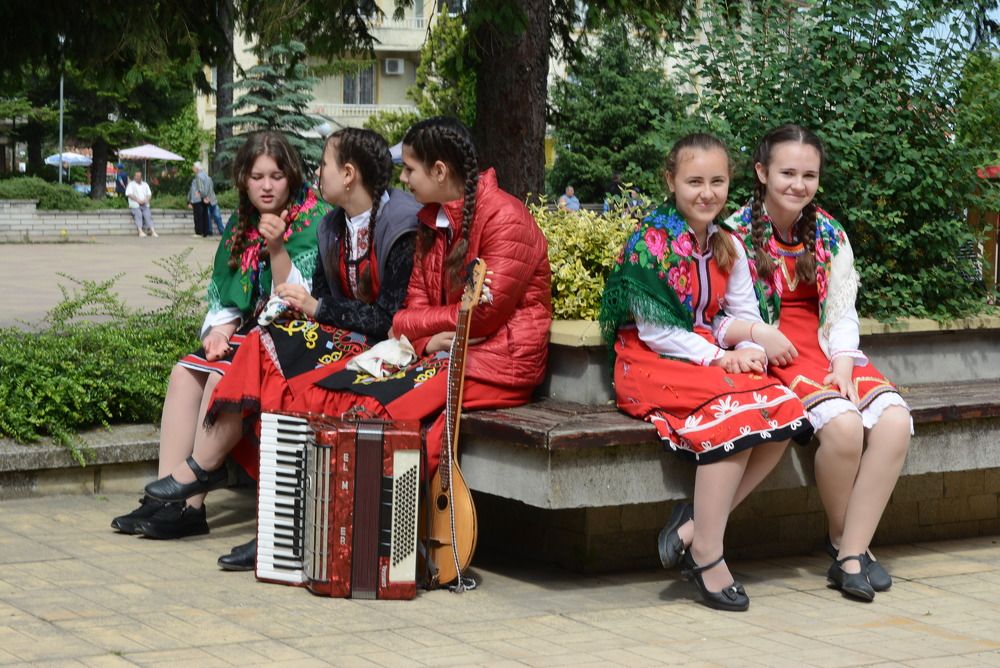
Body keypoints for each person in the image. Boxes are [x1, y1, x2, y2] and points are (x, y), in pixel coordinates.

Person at [143, 116, 552, 557]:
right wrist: (428, 332)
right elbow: (409, 313)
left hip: (496, 361)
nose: (404, 178)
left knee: (363, 403)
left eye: (411, 169)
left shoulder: (500, 218)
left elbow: (478, 317)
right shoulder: (422, 220)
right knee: (278, 357)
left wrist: (420, 329)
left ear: (438, 170)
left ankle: (314, 528)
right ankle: (263, 511)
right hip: (435, 351)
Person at [170, 127, 421, 570]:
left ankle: (224, 496)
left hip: (387, 350)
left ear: (347, 174)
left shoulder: (397, 223)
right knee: (259, 356)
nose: (314, 172)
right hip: (344, 340)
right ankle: (205, 498)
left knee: (277, 373)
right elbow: (317, 300)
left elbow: (385, 315)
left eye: (320, 164)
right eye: (256, 176)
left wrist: (310, 297)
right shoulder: (333, 224)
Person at [599, 133, 811, 611]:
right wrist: (721, 357)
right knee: (735, 413)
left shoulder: (726, 244)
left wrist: (752, 342)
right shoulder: (650, 241)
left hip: (704, 358)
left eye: (717, 181)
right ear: (671, 181)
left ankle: (695, 526)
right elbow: (658, 332)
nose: (707, 192)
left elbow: (734, 314)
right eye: (694, 181)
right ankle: (708, 553)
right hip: (649, 361)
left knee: (783, 411)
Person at [723, 124, 911, 602]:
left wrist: (845, 363)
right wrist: (760, 344)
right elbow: (737, 313)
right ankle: (846, 548)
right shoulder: (736, 232)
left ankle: (850, 548)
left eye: (809, 174)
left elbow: (843, 310)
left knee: (894, 421)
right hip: (777, 350)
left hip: (828, 345)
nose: (797, 184)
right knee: (844, 427)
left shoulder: (829, 232)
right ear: (762, 172)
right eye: (786, 172)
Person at [110, 131, 329, 539]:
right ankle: (165, 500)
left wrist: (277, 245)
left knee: (218, 378)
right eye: (258, 176)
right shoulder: (241, 221)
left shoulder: (313, 218)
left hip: (298, 333)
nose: (267, 186)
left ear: (292, 176)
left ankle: (190, 502)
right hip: (252, 329)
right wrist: (220, 329)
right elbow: (230, 292)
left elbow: (297, 297)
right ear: (243, 179)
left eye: (277, 176)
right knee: (185, 372)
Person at [124, 170, 158, 237]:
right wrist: (138, 200)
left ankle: (153, 231)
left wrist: (145, 200)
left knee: (147, 214)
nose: (137, 177)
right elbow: (129, 194)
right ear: (134, 176)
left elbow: (149, 194)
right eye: (136, 176)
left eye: (139, 176)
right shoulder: (131, 184)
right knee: (138, 214)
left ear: (141, 177)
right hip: (135, 204)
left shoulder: (145, 184)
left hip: (144, 203)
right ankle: (140, 232)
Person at [188, 161, 213, 237]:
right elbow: (209, 187)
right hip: (204, 199)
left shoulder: (198, 176)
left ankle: (198, 232)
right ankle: (205, 232)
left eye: (193, 167)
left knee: (198, 216)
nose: (193, 169)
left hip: (198, 199)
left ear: (197, 168)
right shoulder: (206, 176)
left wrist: (201, 194)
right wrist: (207, 197)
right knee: (204, 216)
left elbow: (200, 188)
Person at [204, 170, 226, 235]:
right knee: (207, 217)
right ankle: (209, 232)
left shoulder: (208, 179)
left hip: (212, 201)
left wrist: (207, 198)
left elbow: (210, 190)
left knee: (218, 216)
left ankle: (222, 231)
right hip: (205, 203)